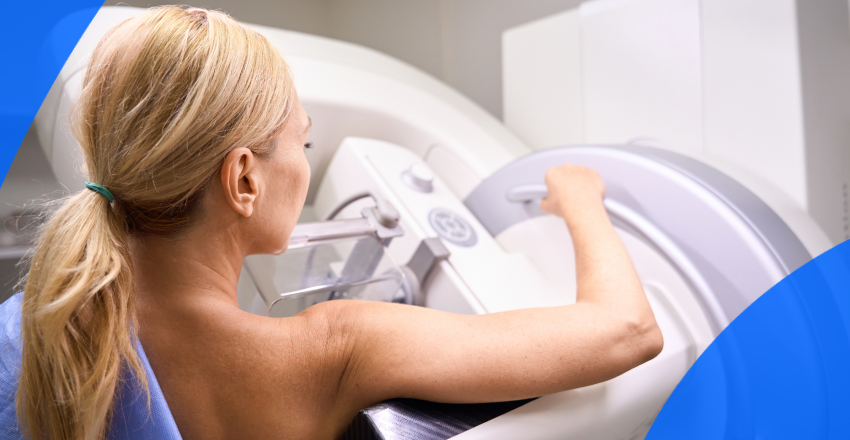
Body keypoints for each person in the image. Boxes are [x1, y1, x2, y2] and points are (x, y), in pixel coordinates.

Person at [6, 6, 662, 440]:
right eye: (304, 142)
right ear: (243, 179)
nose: (307, 165)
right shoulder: (329, 352)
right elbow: (626, 332)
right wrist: (581, 198)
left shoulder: (31, 333)